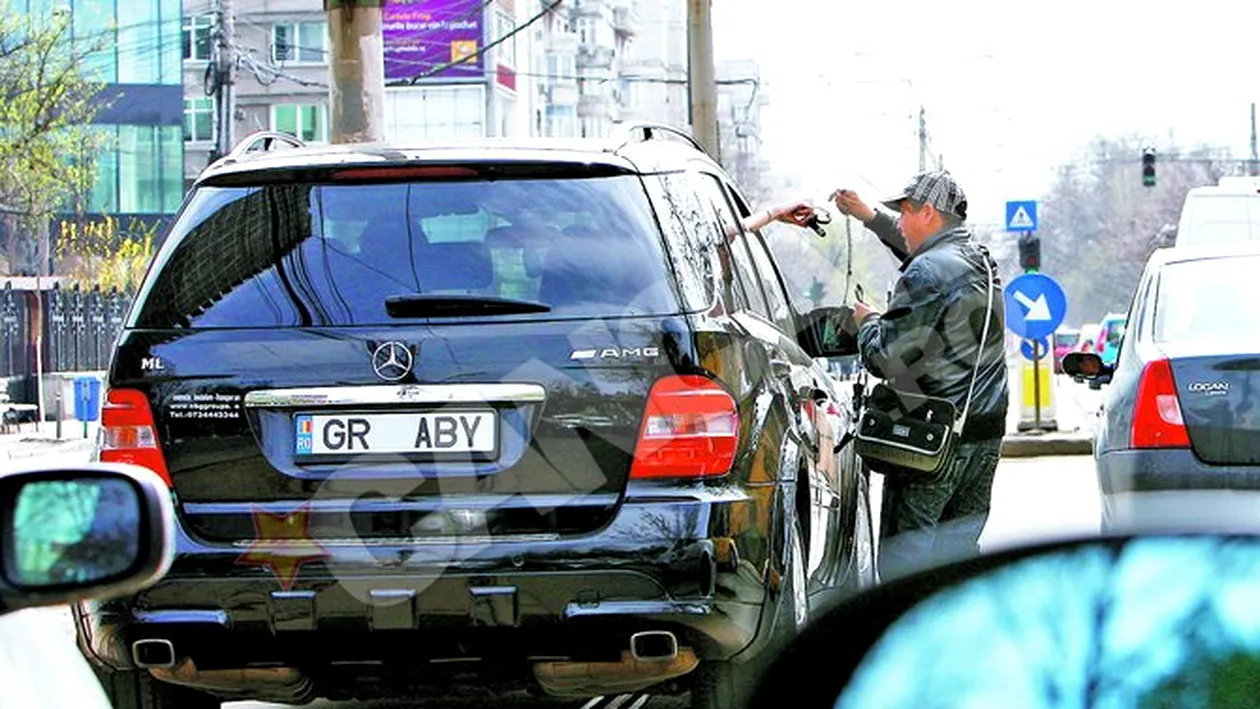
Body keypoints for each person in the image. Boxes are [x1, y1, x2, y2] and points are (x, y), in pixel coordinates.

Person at [831, 170, 1009, 580]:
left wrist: (868, 322)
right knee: (958, 567)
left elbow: (889, 360)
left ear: (927, 212)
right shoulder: (979, 260)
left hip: (932, 445)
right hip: (982, 437)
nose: (901, 223)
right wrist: (868, 215)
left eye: (905, 213)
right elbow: (922, 255)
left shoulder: (927, 273)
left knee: (903, 574)